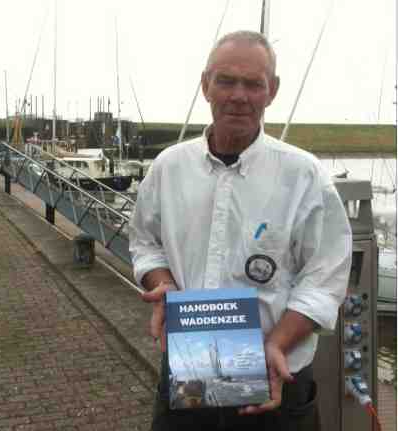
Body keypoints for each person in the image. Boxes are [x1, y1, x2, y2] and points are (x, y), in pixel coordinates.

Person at [129, 30, 352, 431]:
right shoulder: (168, 167)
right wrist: (161, 281)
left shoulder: (305, 176)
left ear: (272, 91)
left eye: (253, 83)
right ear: (205, 85)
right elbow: (146, 241)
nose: (239, 95)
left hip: (277, 381)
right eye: (226, 81)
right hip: (189, 374)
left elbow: (325, 280)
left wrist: (275, 344)